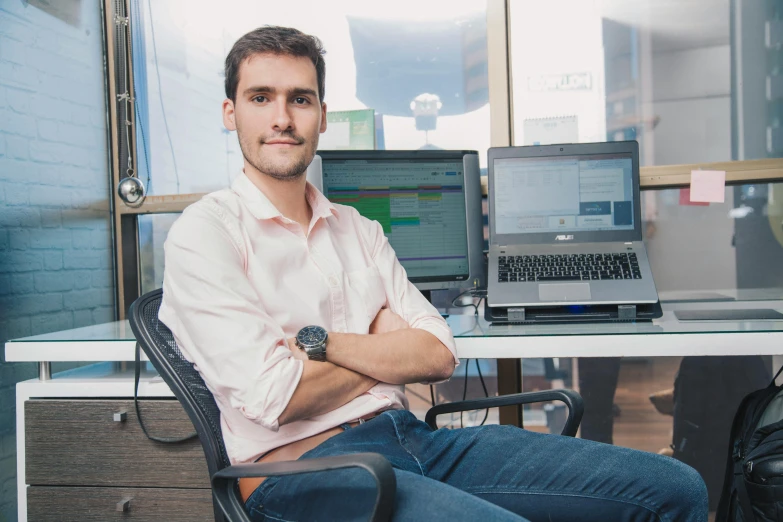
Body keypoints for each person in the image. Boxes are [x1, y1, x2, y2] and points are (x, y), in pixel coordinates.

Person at [159, 25, 709, 522]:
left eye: (299, 99)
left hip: (411, 438)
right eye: (262, 98)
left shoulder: (356, 228)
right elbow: (275, 396)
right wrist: (383, 353)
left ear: (321, 115)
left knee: (675, 487)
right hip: (304, 472)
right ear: (231, 111)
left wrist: (322, 347)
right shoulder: (205, 235)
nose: (282, 118)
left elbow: (437, 354)